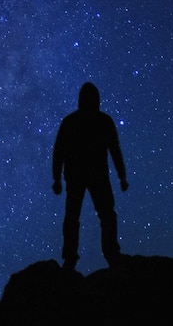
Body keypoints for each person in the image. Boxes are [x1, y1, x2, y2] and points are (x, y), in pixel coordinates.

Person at [52, 82, 128, 270]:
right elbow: (115, 150)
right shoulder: (103, 121)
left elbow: (59, 152)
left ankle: (73, 257)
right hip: (94, 175)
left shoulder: (71, 121)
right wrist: (121, 176)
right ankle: (109, 253)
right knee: (103, 215)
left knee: (78, 216)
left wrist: (57, 179)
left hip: (82, 175)